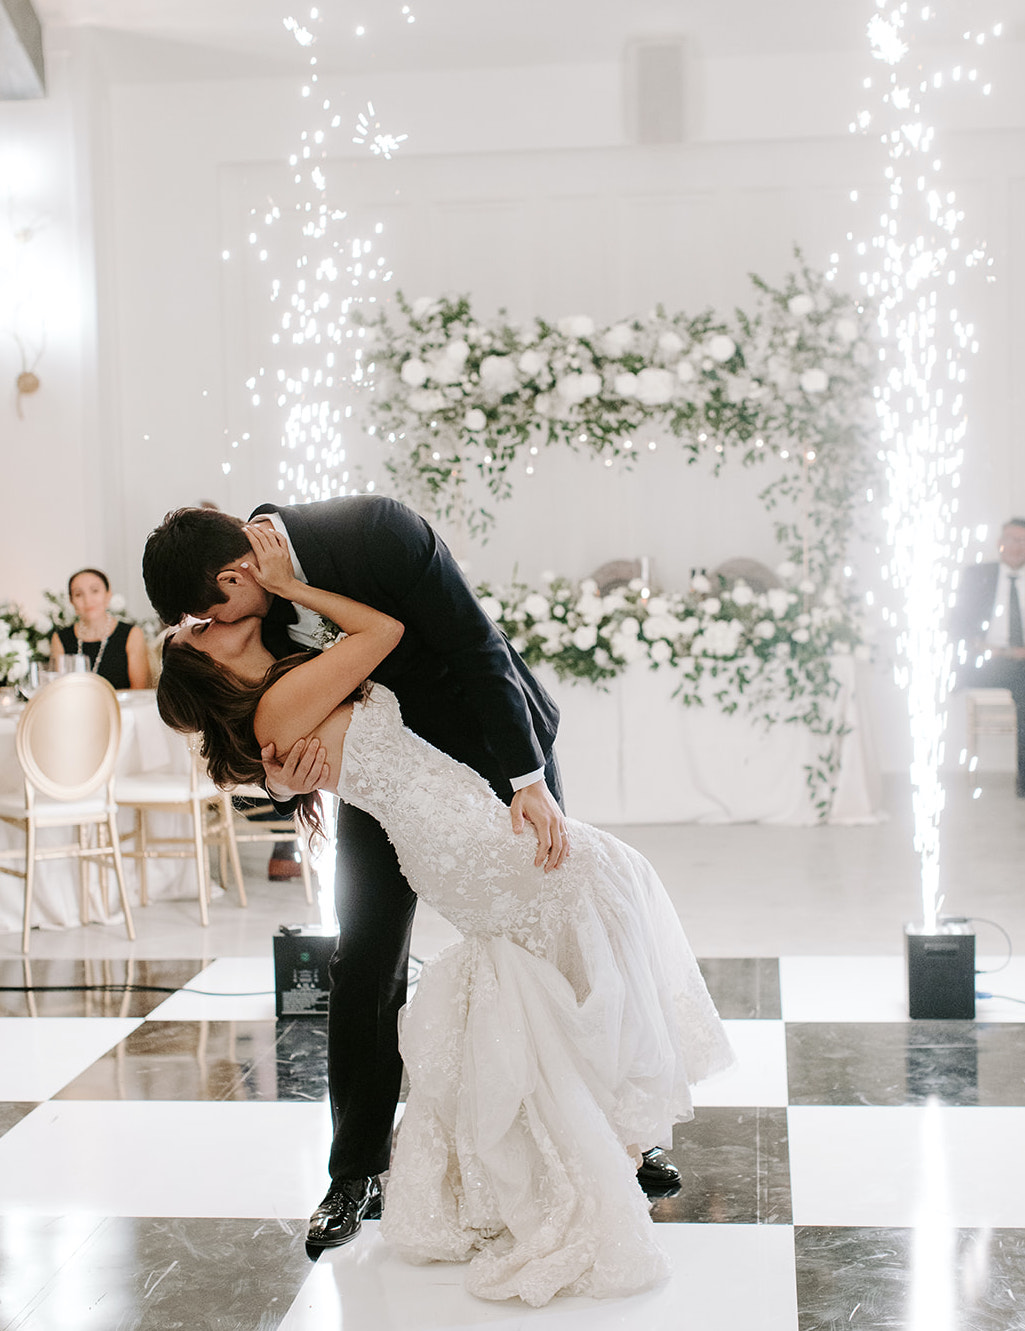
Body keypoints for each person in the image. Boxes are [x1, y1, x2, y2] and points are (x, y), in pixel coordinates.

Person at [155, 523, 733, 1306]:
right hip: (442, 828)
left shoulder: (369, 538)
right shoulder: (273, 626)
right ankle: (359, 1172)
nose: (206, 624)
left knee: (564, 939)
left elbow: (464, 646)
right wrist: (283, 761)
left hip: (472, 772)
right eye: (196, 631)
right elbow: (359, 654)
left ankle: (621, 1136)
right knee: (429, 947)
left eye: (203, 613)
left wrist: (519, 777)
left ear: (229, 576)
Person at [950, 518, 1025, 796]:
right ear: (999, 543)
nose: (1017, 547)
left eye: (1023, 541)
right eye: (1011, 539)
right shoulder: (978, 575)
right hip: (987, 663)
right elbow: (956, 623)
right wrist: (981, 645)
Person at [50, 568, 150, 690]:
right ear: (71, 601)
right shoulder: (60, 638)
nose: (88, 600)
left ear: (108, 595)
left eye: (95, 591)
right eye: (78, 594)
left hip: (123, 708)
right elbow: (58, 690)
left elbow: (139, 691)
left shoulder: (132, 634)